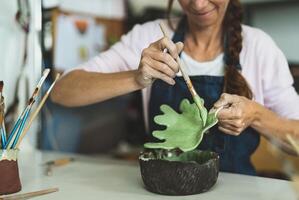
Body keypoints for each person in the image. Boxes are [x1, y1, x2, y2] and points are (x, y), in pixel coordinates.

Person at [51, 0, 299, 175]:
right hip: (163, 189)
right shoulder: (147, 37)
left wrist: (255, 115)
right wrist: (137, 78)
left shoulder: (259, 47)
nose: (198, 4)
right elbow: (62, 91)